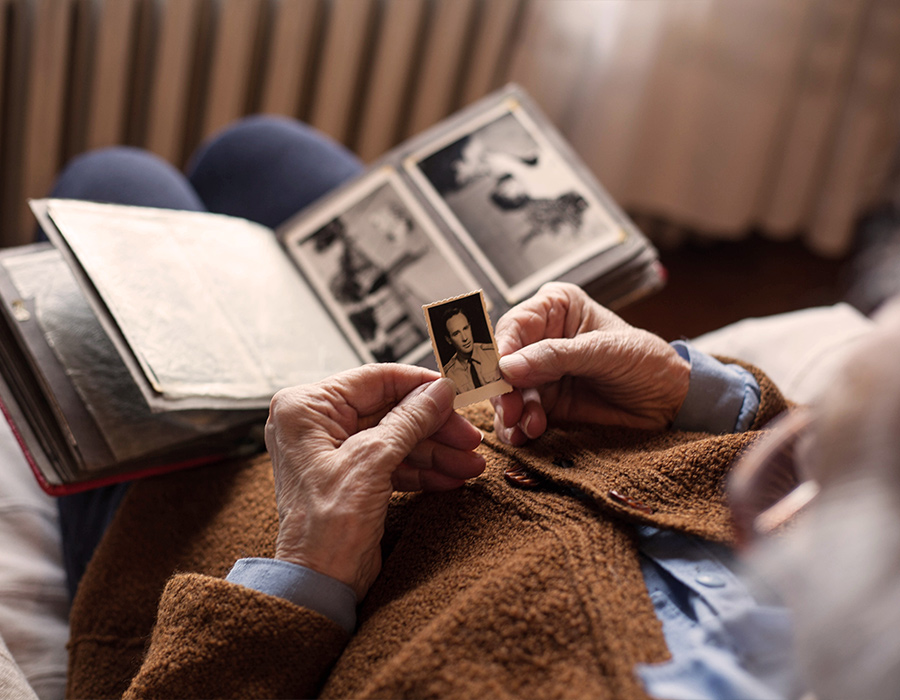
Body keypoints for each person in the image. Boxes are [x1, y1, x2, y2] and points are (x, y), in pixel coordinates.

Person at [52, 116, 801, 699]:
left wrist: (311, 567)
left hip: (210, 519)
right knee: (253, 152)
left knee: (112, 177)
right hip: (539, 410)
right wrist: (692, 389)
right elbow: (844, 468)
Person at [440, 306, 502, 393]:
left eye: (465, 328)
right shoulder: (448, 375)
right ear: (449, 340)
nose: (464, 338)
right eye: (456, 333)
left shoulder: (494, 353)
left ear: (470, 327)